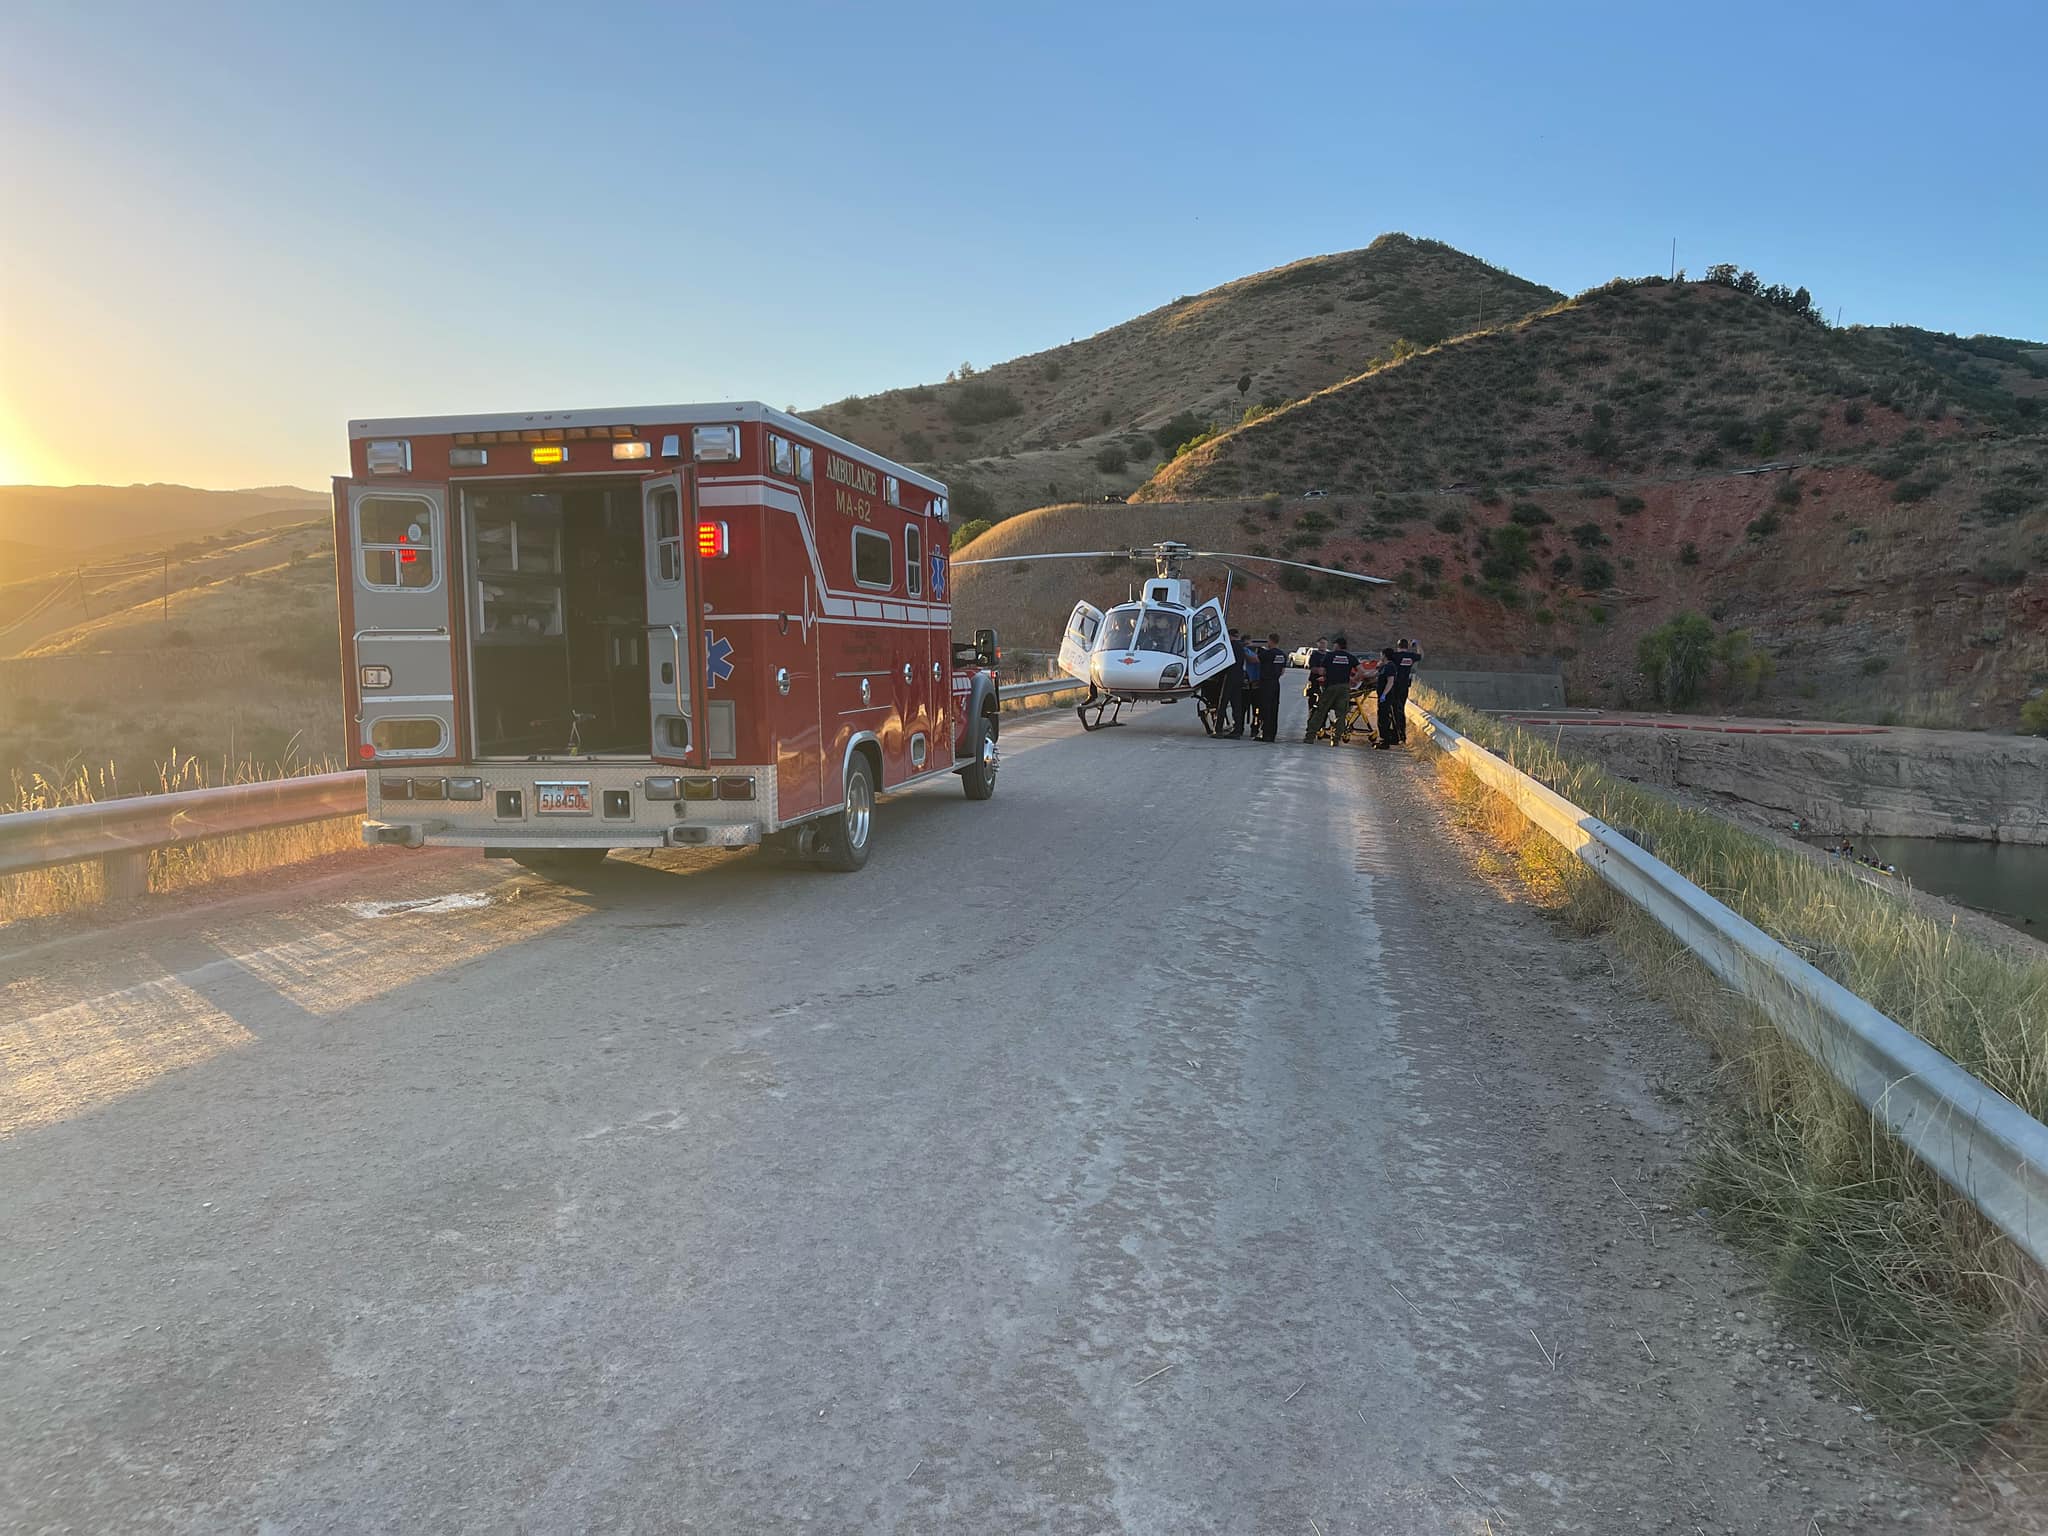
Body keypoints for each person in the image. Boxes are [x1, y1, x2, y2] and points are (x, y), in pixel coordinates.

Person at [1304, 634, 1358, 742]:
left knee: (1320, 711)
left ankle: (1310, 736)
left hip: (1331, 686)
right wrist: (1354, 680)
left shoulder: (1329, 656)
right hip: (1344, 688)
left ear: (1337, 645)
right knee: (1341, 714)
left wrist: (1327, 674)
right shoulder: (1350, 657)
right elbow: (1361, 671)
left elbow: (1322, 671)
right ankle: (1336, 739)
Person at [1255, 633, 1287, 742]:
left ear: (1270, 641)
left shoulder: (1267, 653)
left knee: (1265, 708)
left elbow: (1255, 660)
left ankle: (1265, 734)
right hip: (1275, 683)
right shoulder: (1282, 655)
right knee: (1274, 708)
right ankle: (1272, 734)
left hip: (1266, 683)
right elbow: (1282, 671)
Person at [1374, 646, 1401, 748]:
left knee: (1384, 718)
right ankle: (1383, 739)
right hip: (1383, 696)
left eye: (1381, 654)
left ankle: (1385, 742)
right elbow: (1374, 674)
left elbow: (1390, 682)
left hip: (1386, 696)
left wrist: (1384, 694)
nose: (1380, 656)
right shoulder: (1384, 666)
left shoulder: (1390, 666)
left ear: (1384, 655)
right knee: (1381, 717)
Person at [1240, 632, 1264, 739]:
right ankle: (1239, 727)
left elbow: (1254, 660)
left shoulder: (1255, 651)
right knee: (1242, 708)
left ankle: (1255, 728)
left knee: (1256, 709)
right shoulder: (1243, 651)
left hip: (1255, 684)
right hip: (1246, 684)